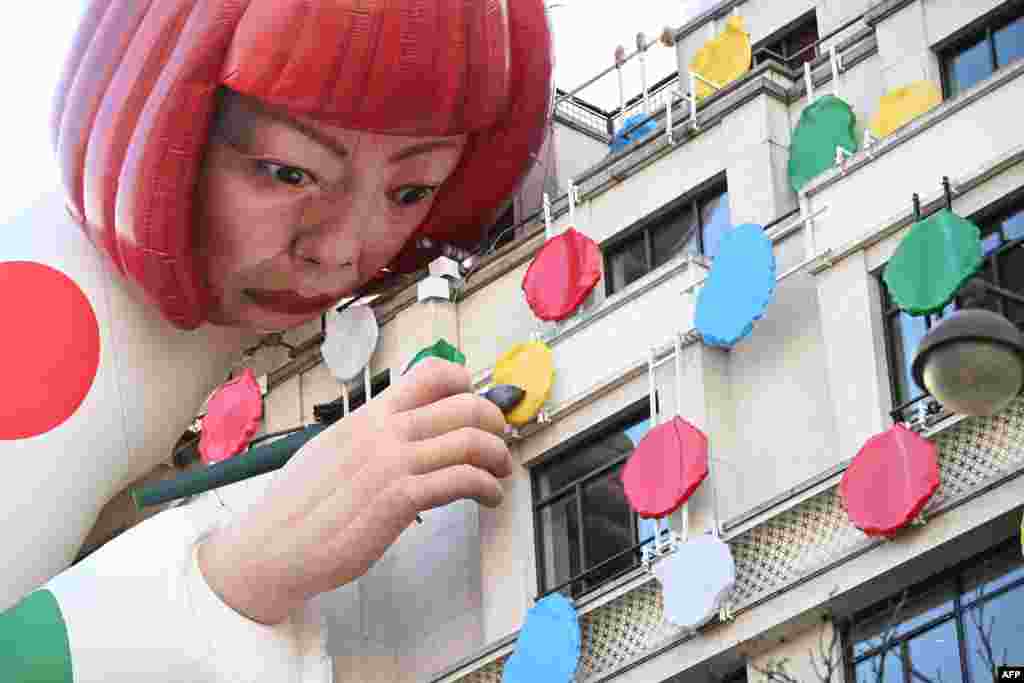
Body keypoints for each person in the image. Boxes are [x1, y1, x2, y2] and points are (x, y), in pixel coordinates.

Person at [0, 1, 553, 681]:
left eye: (410, 192)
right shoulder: (42, 326)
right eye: (287, 172)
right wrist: (233, 579)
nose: (344, 250)